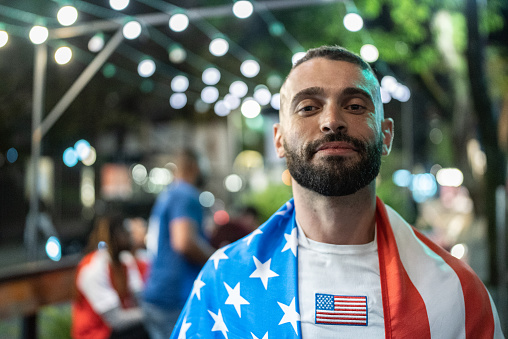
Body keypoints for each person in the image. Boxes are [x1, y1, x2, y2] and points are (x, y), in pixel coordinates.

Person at [170, 45, 505, 338]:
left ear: (386, 136)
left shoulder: (456, 292)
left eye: (356, 106)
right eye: (308, 107)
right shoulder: (223, 279)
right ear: (279, 139)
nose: (332, 120)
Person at [142, 148, 215, 339]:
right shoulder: (185, 194)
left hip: (158, 293)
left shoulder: (168, 194)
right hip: (174, 296)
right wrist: (217, 259)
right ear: (195, 167)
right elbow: (184, 242)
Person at [71, 214, 148, 339]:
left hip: (116, 330)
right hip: (96, 334)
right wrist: (151, 313)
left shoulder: (125, 260)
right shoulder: (93, 269)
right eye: (125, 231)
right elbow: (116, 320)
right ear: (115, 235)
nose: (130, 235)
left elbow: (140, 297)